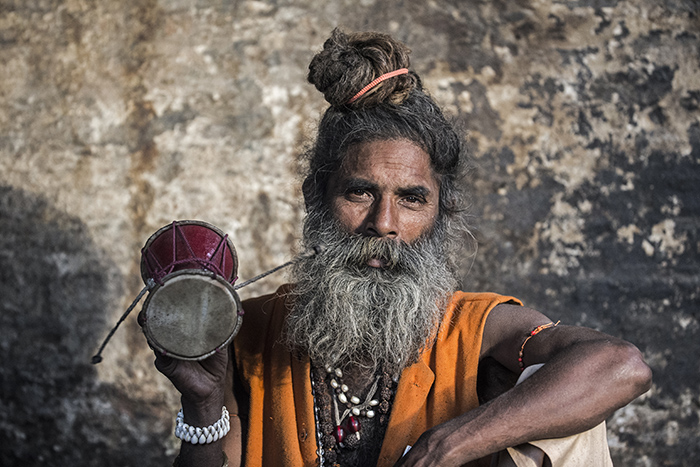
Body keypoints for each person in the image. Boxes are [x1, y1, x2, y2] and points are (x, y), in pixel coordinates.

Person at [145, 29, 652, 467]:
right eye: (359, 192)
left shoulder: (473, 330)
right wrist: (204, 401)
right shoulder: (249, 333)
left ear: (441, 211)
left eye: (411, 199)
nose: (383, 224)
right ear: (315, 198)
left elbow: (620, 366)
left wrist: (447, 444)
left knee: (567, 421)